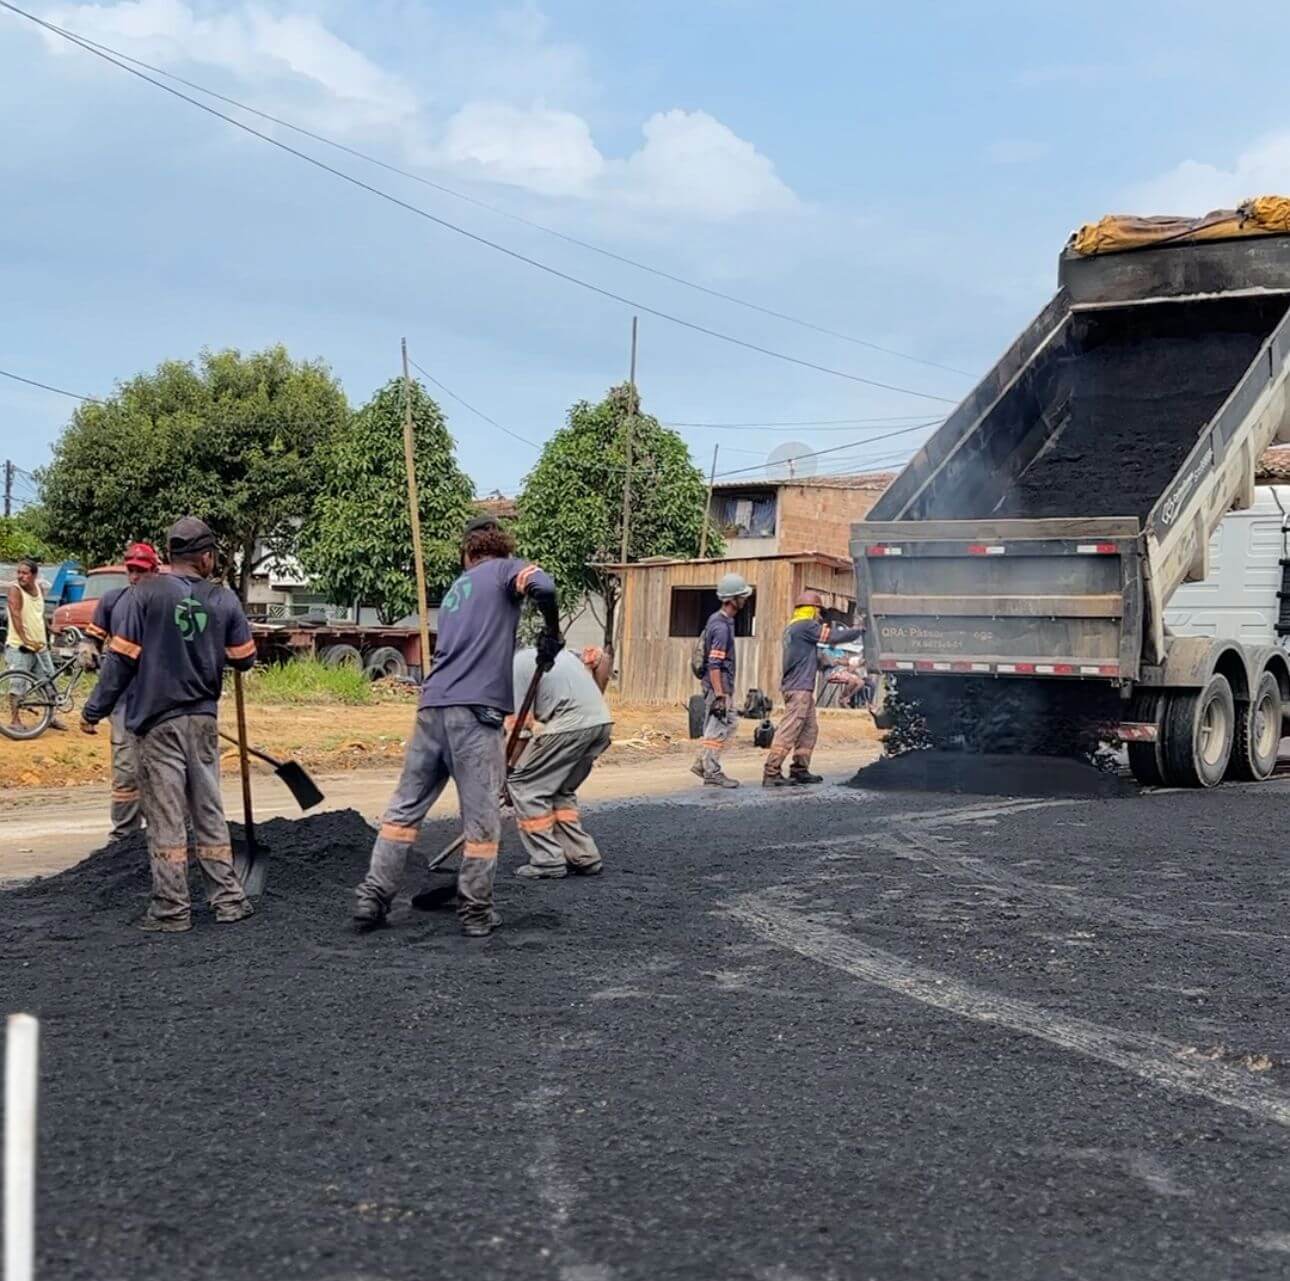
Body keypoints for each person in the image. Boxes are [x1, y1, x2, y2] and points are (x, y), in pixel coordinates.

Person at [353, 517, 561, 938]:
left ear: (467, 551)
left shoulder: (456, 589)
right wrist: (551, 632)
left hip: (432, 707)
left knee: (404, 809)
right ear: (500, 547)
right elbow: (546, 587)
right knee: (482, 818)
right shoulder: (506, 569)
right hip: (475, 711)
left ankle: (372, 895)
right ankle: (476, 911)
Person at [80, 518, 257, 933]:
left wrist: (94, 710)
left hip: (158, 724)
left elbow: (120, 660)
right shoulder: (223, 598)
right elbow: (245, 656)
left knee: (166, 818)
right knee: (209, 811)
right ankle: (229, 901)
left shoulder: (144, 595)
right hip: (203, 722)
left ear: (172, 555)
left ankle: (171, 911)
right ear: (206, 556)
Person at [507, 644, 614, 879]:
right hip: (601, 723)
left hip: (569, 726)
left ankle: (547, 860)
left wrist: (509, 774)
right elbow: (603, 659)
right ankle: (583, 856)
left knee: (525, 787)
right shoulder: (562, 655)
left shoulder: (515, 667)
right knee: (560, 789)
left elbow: (520, 728)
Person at [79, 542, 160, 842]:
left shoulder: (164, 606)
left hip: (160, 701)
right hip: (125, 701)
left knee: (163, 770)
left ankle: (164, 835)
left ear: (154, 570)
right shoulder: (113, 601)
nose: (136, 576)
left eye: (142, 570)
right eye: (131, 570)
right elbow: (94, 638)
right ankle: (124, 838)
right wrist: (87, 649)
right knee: (126, 769)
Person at [764, 592, 865, 787]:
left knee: (809, 729)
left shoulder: (793, 629)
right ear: (812, 609)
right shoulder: (805, 626)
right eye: (818, 611)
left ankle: (800, 770)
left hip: (800, 688)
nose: (820, 617)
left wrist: (840, 663)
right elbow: (833, 637)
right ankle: (771, 772)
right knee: (790, 729)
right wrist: (859, 631)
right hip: (799, 688)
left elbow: (817, 657)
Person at [691, 572, 753, 789]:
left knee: (730, 723)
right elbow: (714, 664)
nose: (745, 600)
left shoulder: (722, 622)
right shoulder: (720, 626)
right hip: (718, 687)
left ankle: (703, 763)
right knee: (716, 728)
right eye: (742, 596)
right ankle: (711, 772)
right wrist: (719, 695)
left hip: (721, 687)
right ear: (732, 599)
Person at [5, 557, 67, 731]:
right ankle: (15, 720)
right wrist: (25, 640)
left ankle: (51, 717)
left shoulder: (39, 589)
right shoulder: (15, 590)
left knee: (48, 680)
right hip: (20, 646)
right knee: (18, 684)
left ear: (34, 575)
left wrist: (50, 629)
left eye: (24, 573)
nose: (20, 576)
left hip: (40, 645)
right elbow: (16, 615)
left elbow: (38, 614)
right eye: (19, 573)